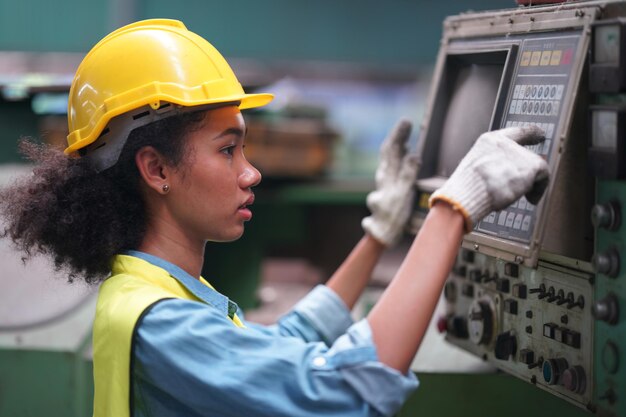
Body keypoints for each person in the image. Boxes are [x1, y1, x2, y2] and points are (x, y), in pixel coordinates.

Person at [0, 19, 549, 417]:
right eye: (227, 150)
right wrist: (453, 210)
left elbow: (284, 345)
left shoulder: (154, 295)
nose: (251, 173)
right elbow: (345, 395)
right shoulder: (163, 324)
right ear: (155, 167)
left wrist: (378, 234)